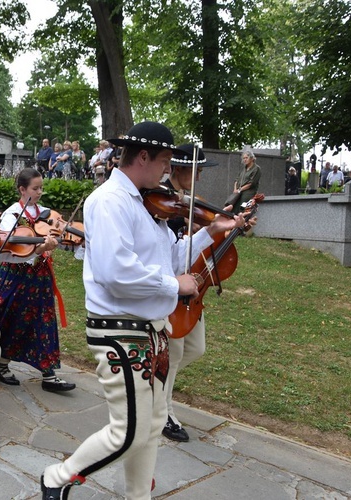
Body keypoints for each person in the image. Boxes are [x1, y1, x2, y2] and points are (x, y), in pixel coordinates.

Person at [40, 122, 244, 500]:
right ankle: (58, 476)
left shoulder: (144, 203)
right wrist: (173, 285)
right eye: (165, 161)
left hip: (151, 329)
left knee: (151, 424)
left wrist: (213, 230)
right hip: (119, 330)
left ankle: (139, 495)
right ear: (143, 157)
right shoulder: (109, 201)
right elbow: (115, 273)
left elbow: (170, 257)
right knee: (128, 430)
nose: (168, 171)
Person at [0, 168, 75, 392]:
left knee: (44, 320)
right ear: (22, 189)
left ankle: (49, 374)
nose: (40, 192)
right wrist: (40, 248)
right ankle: (1, 364)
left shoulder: (46, 213)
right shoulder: (11, 216)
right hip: (17, 276)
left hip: (40, 277)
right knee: (12, 319)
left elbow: (59, 233)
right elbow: (14, 249)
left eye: (41, 188)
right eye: (35, 188)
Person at [161, 144, 218, 443]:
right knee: (175, 352)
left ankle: (155, 383)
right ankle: (164, 410)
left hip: (192, 285)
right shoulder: (162, 203)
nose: (199, 177)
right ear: (180, 169)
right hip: (171, 286)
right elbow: (169, 255)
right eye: (196, 171)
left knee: (195, 348)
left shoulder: (184, 201)